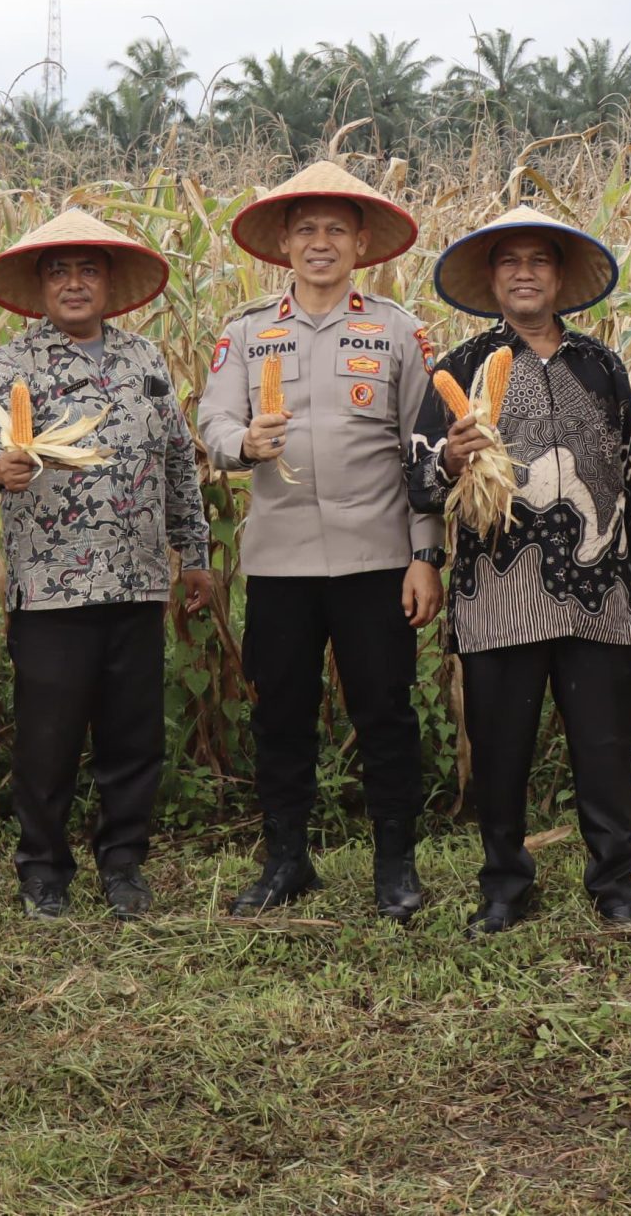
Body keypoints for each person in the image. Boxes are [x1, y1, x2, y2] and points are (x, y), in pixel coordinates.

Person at [408, 206, 631, 935]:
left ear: (559, 278)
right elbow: (418, 476)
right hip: (497, 589)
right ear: (492, 279)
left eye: (539, 261)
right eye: (510, 261)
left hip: (602, 587)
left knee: (606, 745)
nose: (525, 272)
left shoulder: (601, 365)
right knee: (499, 747)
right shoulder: (458, 368)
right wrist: (449, 460)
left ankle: (614, 882)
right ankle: (503, 884)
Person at [197, 162, 442, 921]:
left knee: (385, 710)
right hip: (281, 561)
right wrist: (244, 443)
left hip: (376, 558)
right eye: (306, 229)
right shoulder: (246, 332)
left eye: (337, 228)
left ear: (362, 241)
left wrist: (425, 554)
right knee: (281, 711)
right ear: (283, 243)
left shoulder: (398, 330)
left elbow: (425, 450)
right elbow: (211, 426)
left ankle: (394, 865)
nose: (321, 242)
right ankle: (286, 858)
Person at [0, 209, 216, 920]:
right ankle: (43, 866)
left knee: (132, 731)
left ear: (109, 282)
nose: (74, 284)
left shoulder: (145, 360)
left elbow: (177, 463)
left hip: (137, 580)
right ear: (41, 286)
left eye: (87, 270)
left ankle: (124, 861)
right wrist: (0, 464)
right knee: (49, 735)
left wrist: (193, 554)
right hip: (51, 588)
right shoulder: (17, 361)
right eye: (58, 271)